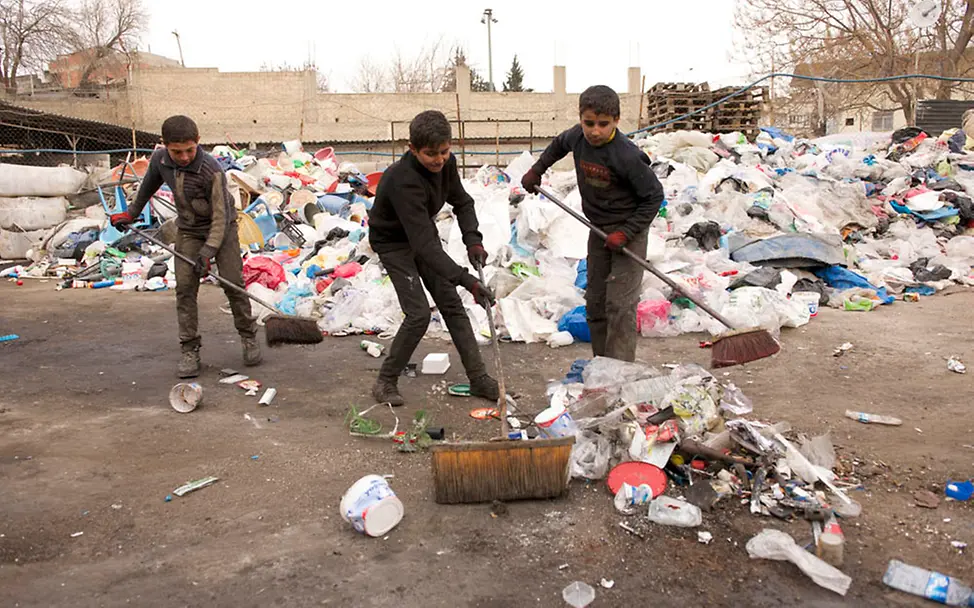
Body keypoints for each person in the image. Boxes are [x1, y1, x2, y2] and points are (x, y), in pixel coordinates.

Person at [521, 85, 664, 363]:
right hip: (599, 231)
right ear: (580, 118)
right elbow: (558, 146)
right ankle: (601, 363)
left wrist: (626, 232)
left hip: (628, 233)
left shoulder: (627, 156)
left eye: (603, 124)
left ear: (616, 122)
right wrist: (537, 169)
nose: (594, 131)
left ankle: (619, 370)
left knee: (620, 306)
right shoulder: (577, 137)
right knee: (596, 303)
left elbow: (654, 197)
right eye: (588, 123)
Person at [110, 115, 260, 378]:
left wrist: (208, 253)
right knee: (185, 288)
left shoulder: (211, 170)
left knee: (232, 283)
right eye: (176, 151)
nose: (183, 157)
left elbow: (221, 218)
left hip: (222, 230)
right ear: (164, 145)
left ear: (198, 142)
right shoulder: (159, 161)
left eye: (189, 150)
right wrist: (131, 214)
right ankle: (190, 349)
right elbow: (147, 187)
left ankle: (248, 336)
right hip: (188, 230)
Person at [367, 110, 499, 406]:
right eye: (430, 154)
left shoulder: (446, 164)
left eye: (444, 151)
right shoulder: (404, 181)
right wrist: (467, 280)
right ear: (412, 149)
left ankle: (479, 379)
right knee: (419, 315)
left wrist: (473, 240)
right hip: (393, 242)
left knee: (451, 304)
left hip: (419, 232)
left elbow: (462, 202)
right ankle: (385, 381)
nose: (439, 159)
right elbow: (425, 247)